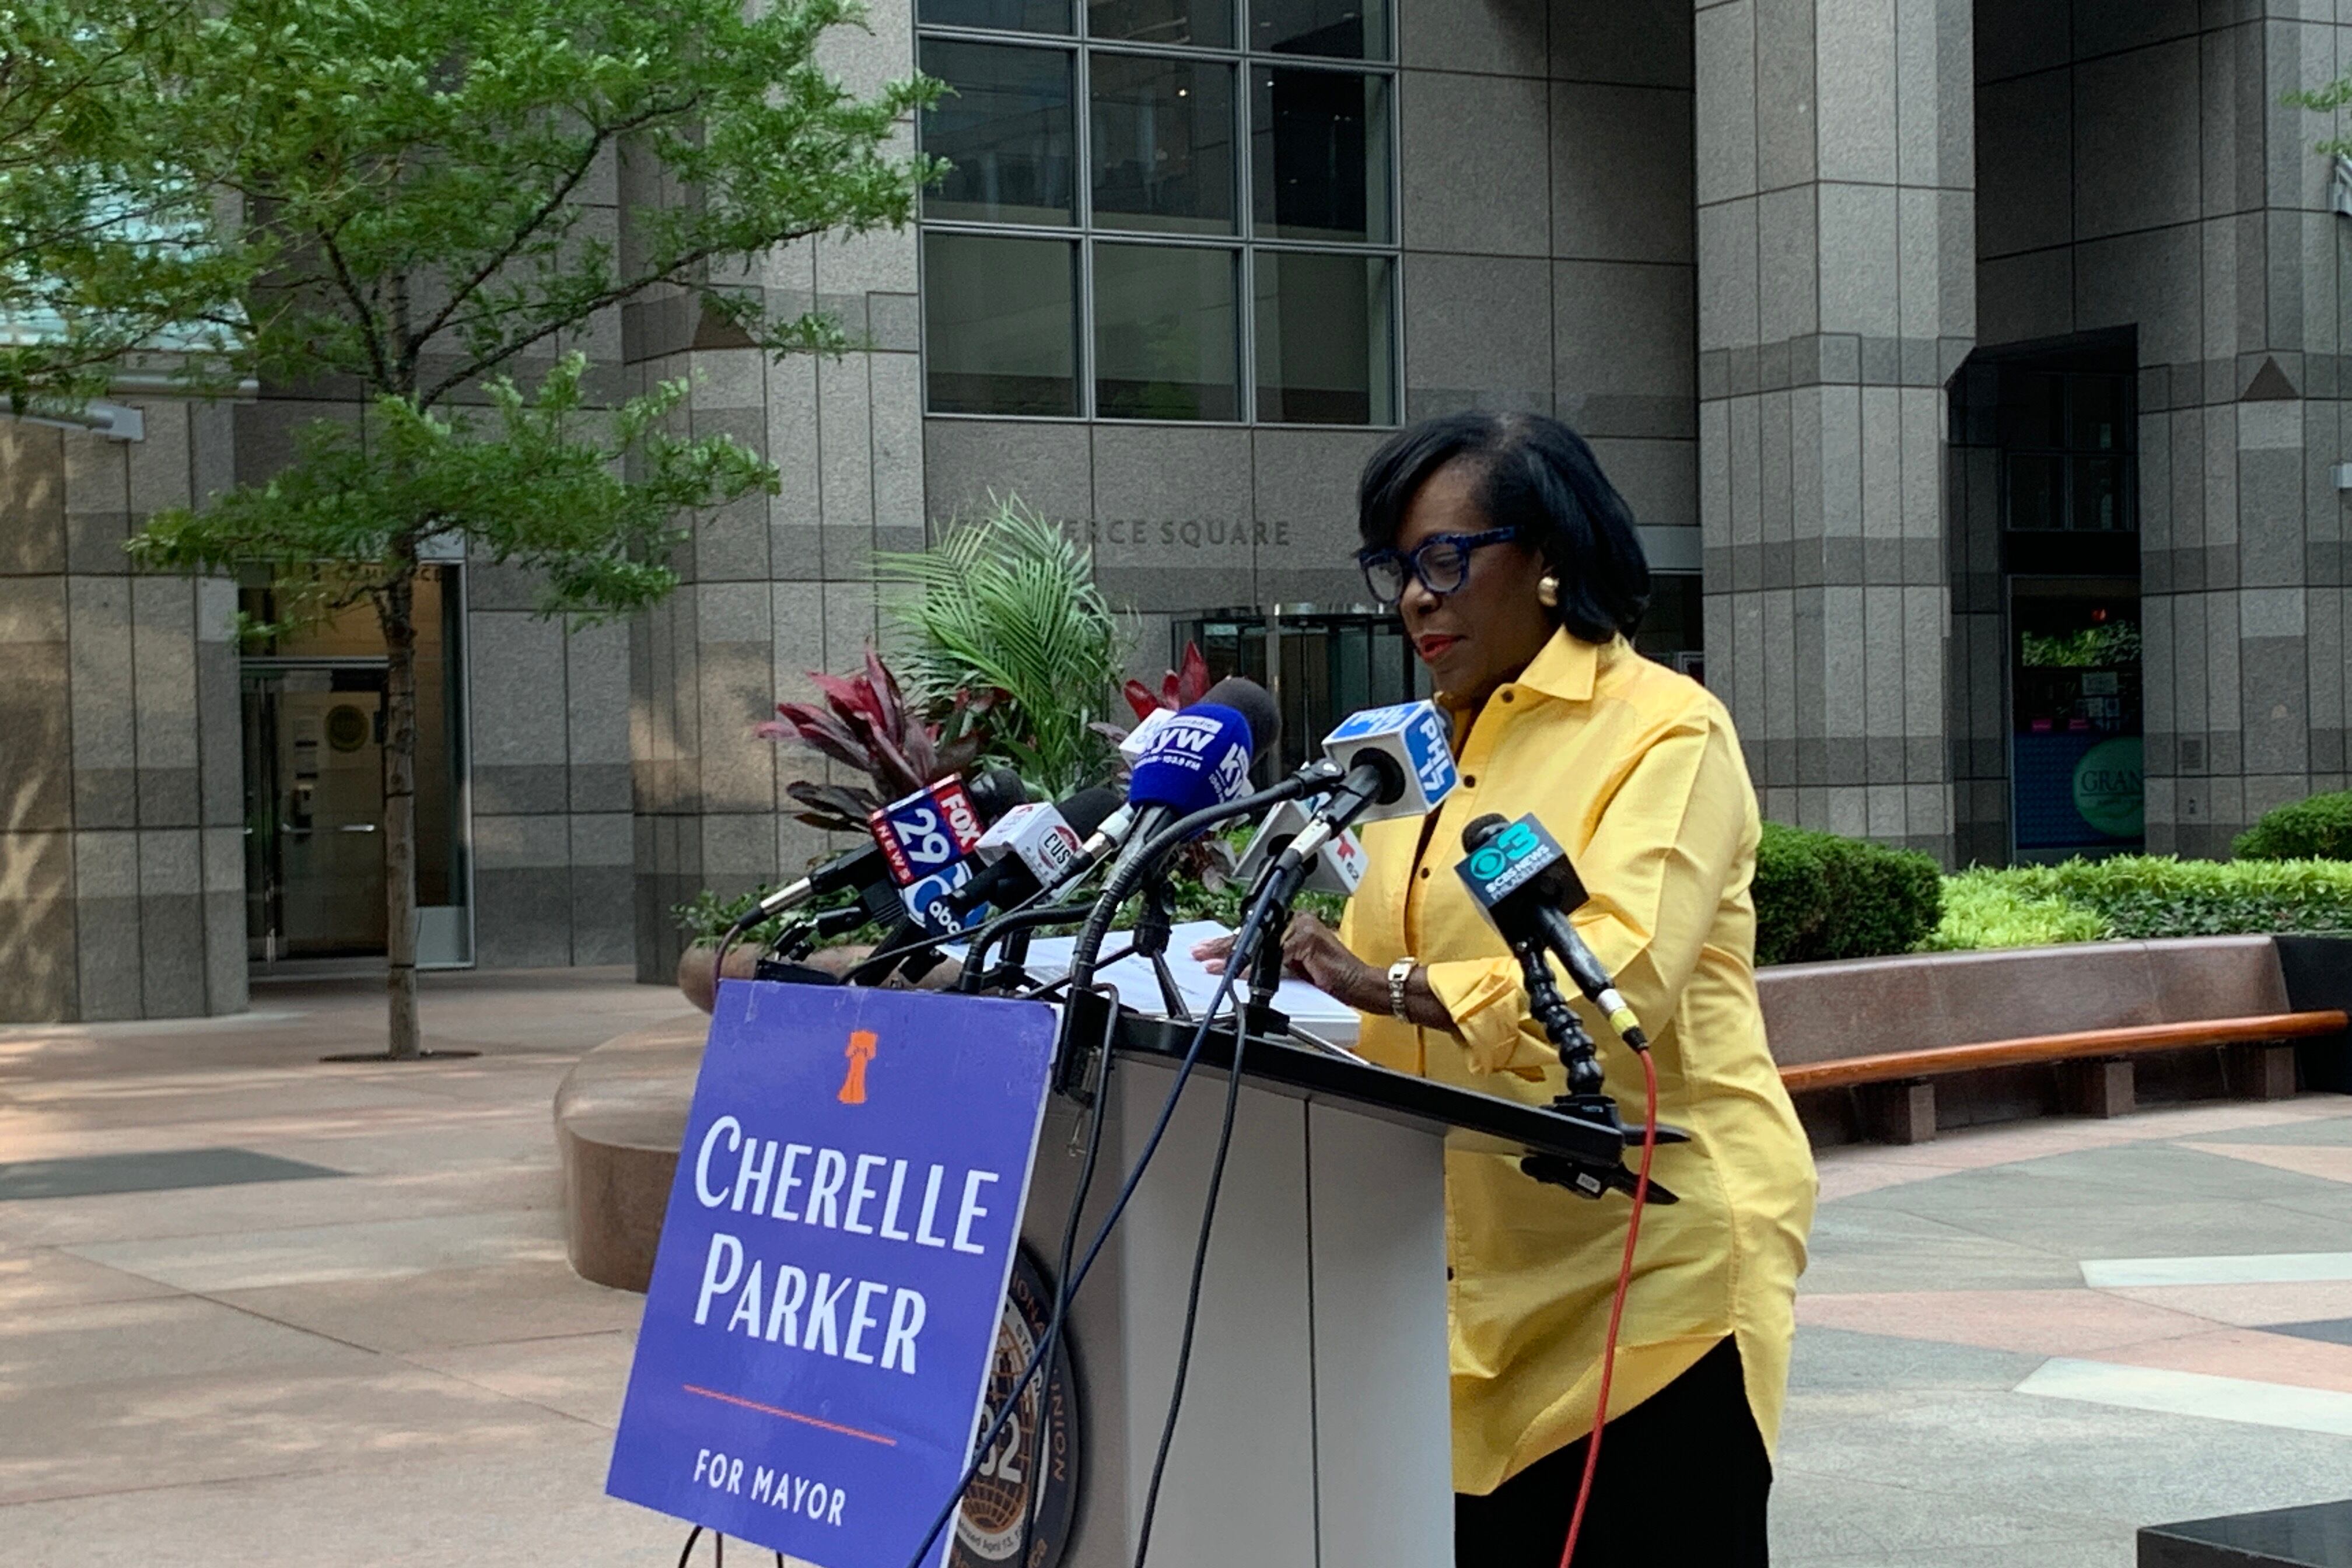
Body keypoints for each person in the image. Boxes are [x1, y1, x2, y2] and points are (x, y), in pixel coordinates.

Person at [1196, 411, 1816, 1567]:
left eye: (1446, 558)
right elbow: (1389, 949)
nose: (1416, 600)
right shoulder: (1402, 755)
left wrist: (1392, 985)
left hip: (1650, 1271)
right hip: (1459, 1281)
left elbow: (1620, 964)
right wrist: (1296, 951)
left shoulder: (1668, 732)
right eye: (1396, 568)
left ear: (1549, 559)